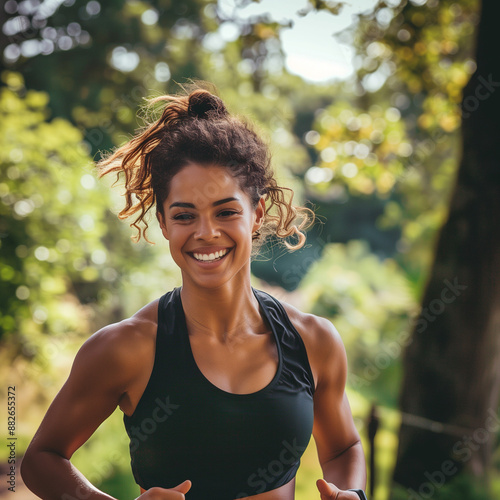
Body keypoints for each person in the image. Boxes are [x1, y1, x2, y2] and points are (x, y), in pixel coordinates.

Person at [21, 83, 367, 500]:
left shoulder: (314, 341)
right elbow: (42, 458)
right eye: (185, 215)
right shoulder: (126, 347)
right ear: (164, 224)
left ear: (256, 215)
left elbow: (344, 447)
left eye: (226, 211)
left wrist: (351, 494)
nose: (206, 233)